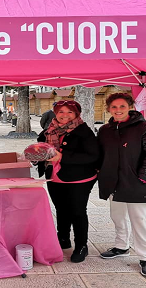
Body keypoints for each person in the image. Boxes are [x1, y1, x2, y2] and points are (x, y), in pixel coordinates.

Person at [97, 93, 146, 277]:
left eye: (122, 106)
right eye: (114, 107)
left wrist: (143, 177)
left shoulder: (143, 127)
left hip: (136, 182)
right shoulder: (104, 130)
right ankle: (121, 246)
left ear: (131, 107)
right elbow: (100, 154)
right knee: (117, 216)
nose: (118, 110)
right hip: (113, 182)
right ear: (109, 108)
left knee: (139, 220)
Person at [37, 100, 99, 263]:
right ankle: (63, 238)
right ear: (55, 113)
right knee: (61, 209)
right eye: (61, 112)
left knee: (77, 211)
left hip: (79, 178)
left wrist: (63, 157)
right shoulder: (49, 130)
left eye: (69, 112)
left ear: (76, 114)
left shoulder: (84, 131)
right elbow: (41, 147)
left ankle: (81, 246)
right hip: (54, 177)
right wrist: (35, 155)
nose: (65, 115)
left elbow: (93, 156)